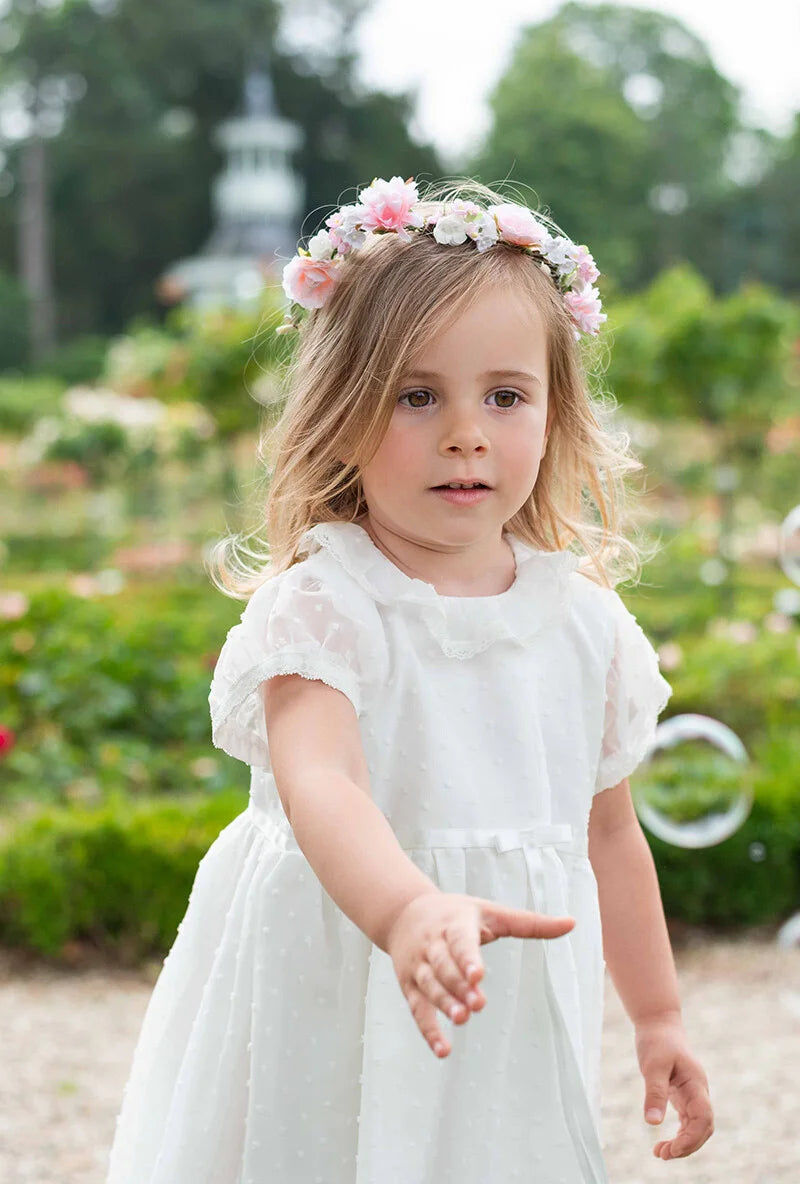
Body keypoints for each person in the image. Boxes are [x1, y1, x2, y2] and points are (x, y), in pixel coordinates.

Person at [105, 174, 714, 1183]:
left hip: (503, 996)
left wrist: (658, 1018)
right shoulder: (326, 605)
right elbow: (321, 780)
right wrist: (404, 910)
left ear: (555, 414)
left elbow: (609, 835)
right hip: (337, 971)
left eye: (505, 396)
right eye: (416, 395)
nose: (465, 432)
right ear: (342, 413)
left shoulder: (582, 626)